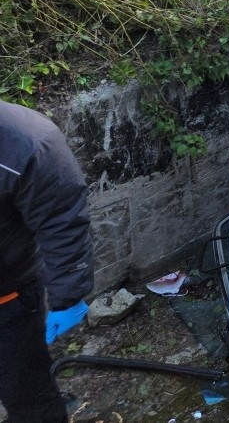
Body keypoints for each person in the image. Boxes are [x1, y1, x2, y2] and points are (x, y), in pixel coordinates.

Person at [0, 100, 94, 423]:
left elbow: (59, 213)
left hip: (8, 303)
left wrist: (68, 293)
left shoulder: (21, 141)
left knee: (29, 402)